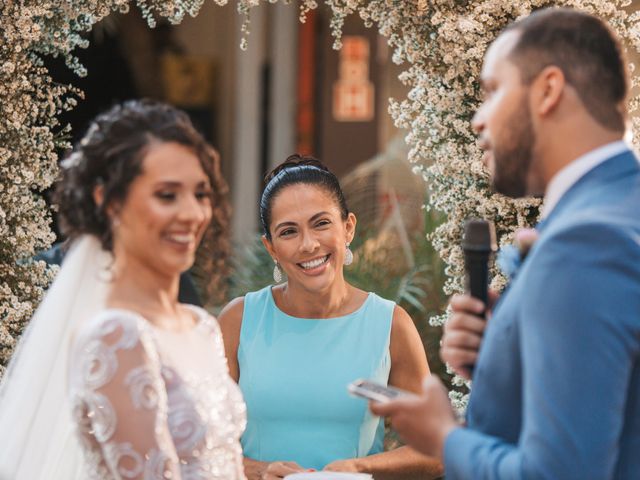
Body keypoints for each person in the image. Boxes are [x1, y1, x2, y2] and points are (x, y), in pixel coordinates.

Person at [372, 7, 640, 479]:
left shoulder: (583, 244)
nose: (478, 120)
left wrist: (444, 438)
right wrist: (508, 356)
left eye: (493, 91)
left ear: (548, 90)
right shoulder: (621, 209)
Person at [0, 100, 246, 479]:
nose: (193, 213)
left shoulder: (200, 326)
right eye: (167, 195)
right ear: (110, 202)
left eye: (200, 194)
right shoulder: (116, 334)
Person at [218, 155, 443, 480]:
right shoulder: (237, 321)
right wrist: (258, 470)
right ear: (271, 248)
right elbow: (199, 443)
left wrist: (359, 469)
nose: (309, 244)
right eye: (288, 232)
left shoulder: (390, 324)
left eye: (321, 223)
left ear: (348, 227)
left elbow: (435, 449)